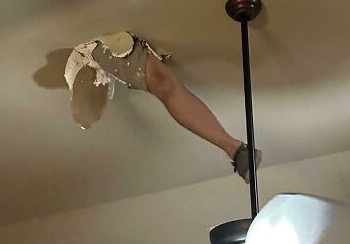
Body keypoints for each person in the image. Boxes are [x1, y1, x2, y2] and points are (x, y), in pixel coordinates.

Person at [64, 31, 260, 183]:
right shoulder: (98, 74)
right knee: (164, 87)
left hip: (94, 54)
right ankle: (234, 149)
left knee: (164, 86)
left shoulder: (88, 60)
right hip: (97, 60)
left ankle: (234, 149)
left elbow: (166, 88)